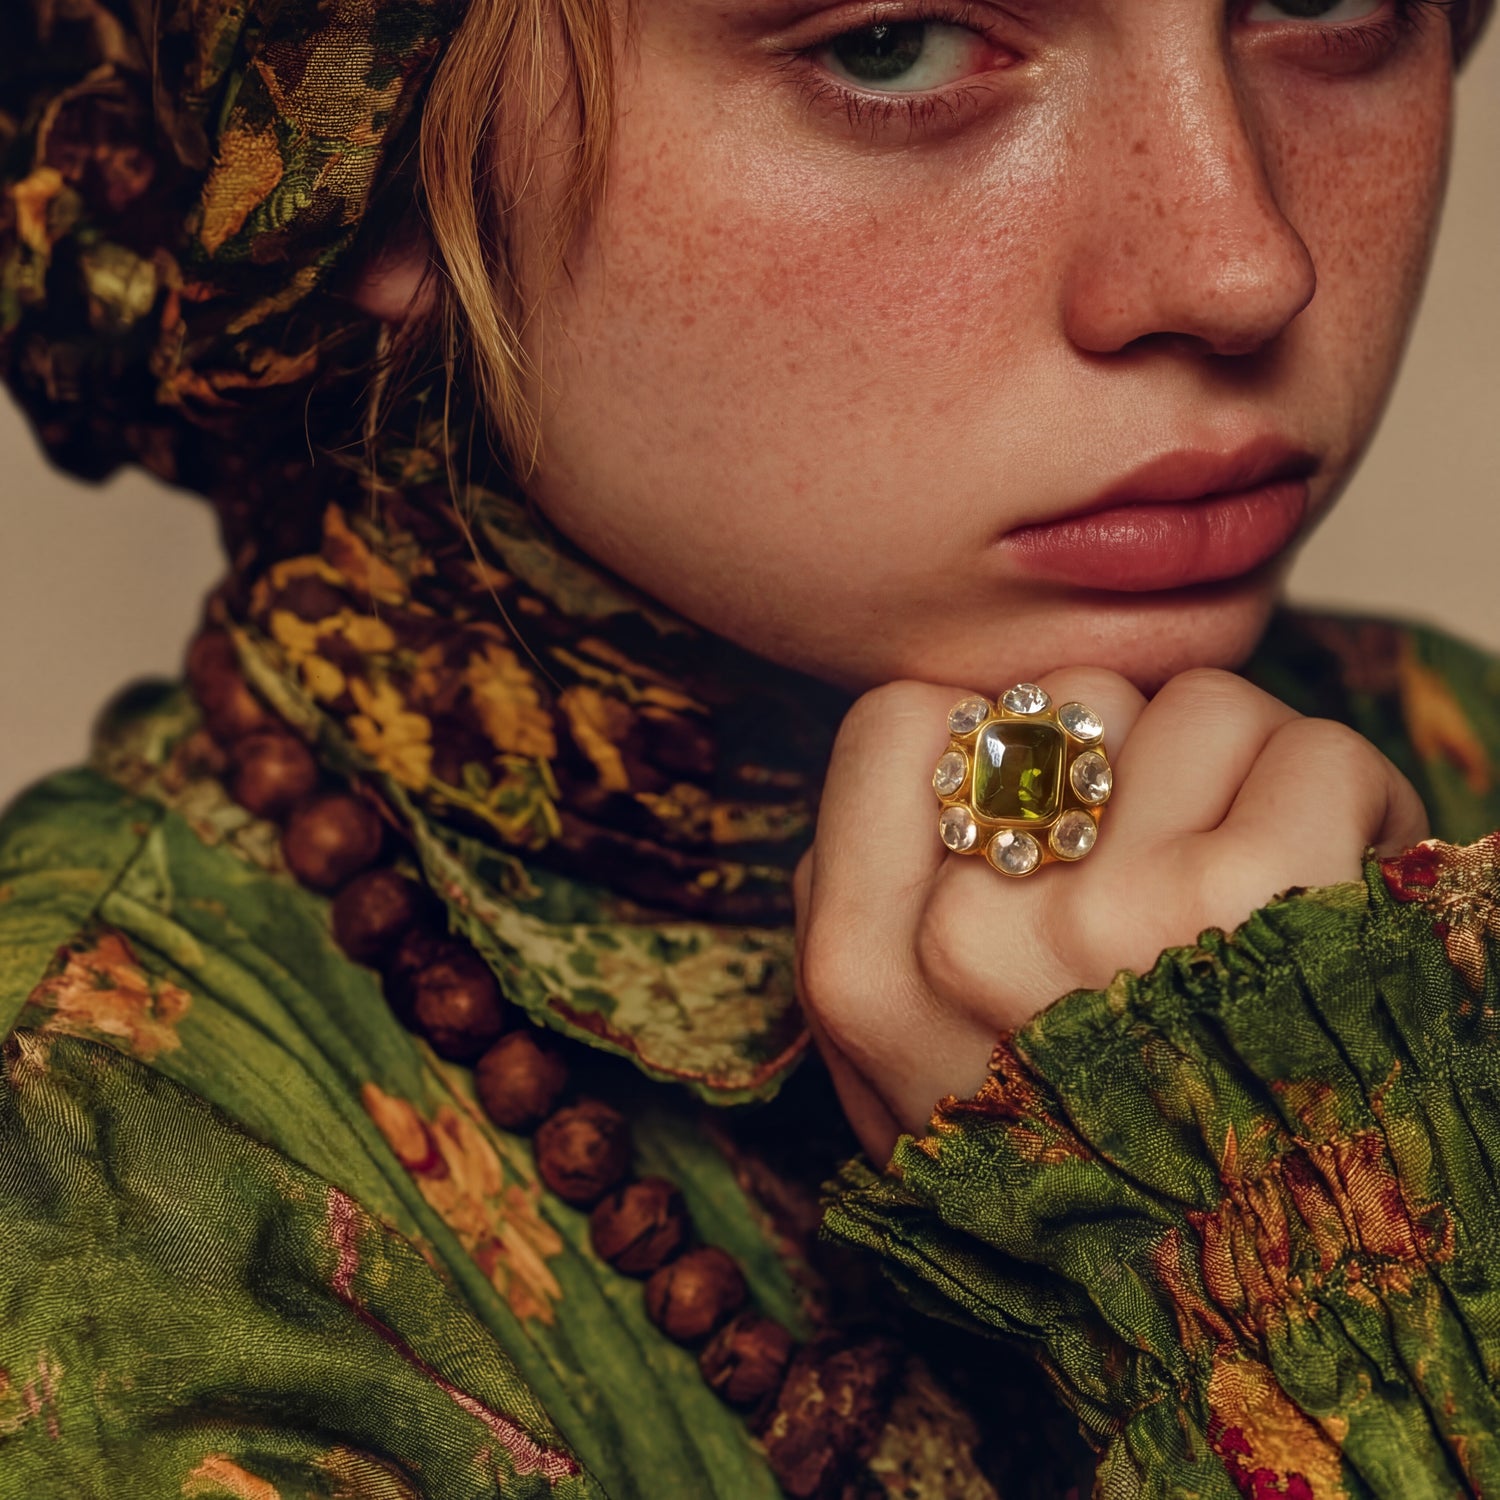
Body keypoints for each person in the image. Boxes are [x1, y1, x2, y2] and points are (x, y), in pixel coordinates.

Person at [1, 0, 1497, 1494]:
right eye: (893, 44)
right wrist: (1265, 1250)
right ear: (362, 153)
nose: (1243, 268)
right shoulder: (98, 1199)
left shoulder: (1460, 761)